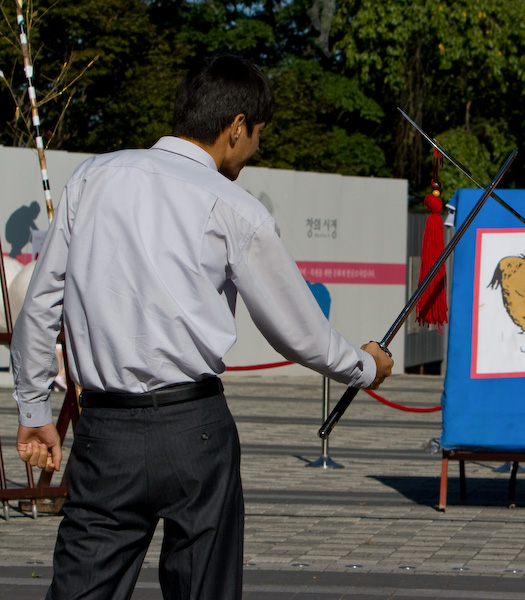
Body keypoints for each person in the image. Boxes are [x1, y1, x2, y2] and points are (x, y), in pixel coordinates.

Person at [11, 54, 393, 600]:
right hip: (196, 429)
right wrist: (364, 366)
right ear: (236, 126)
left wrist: (33, 411)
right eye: (257, 134)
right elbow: (298, 330)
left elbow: (41, 306)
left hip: (105, 434)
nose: (254, 149)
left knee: (81, 588)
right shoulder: (235, 207)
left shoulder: (93, 178)